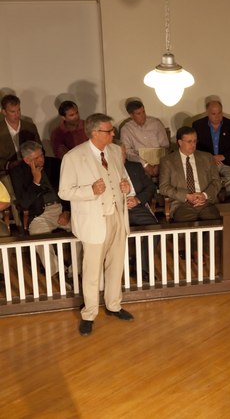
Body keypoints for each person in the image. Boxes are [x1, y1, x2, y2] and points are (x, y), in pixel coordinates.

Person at [58, 113, 134, 336]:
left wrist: (126, 187)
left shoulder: (113, 151)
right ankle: (89, 313)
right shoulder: (73, 157)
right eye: (109, 131)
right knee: (91, 271)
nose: (113, 134)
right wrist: (90, 191)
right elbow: (65, 191)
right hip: (94, 220)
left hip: (117, 216)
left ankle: (113, 305)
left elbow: (124, 178)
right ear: (94, 133)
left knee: (116, 264)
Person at [10, 141, 72, 277]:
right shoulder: (17, 172)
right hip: (39, 214)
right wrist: (36, 182)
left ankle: (76, 270)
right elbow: (24, 203)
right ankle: (58, 273)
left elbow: (68, 189)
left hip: (61, 208)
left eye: (42, 155)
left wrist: (67, 211)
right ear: (27, 160)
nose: (41, 159)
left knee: (82, 230)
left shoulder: (54, 164)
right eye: (36, 158)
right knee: (39, 238)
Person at [159, 127, 222, 222]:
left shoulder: (207, 157)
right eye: (189, 142)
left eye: (195, 141)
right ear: (180, 142)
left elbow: (216, 181)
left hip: (205, 202)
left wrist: (204, 195)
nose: (193, 145)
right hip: (181, 204)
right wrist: (187, 196)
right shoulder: (168, 161)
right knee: (187, 227)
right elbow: (163, 187)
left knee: (214, 225)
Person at [0, 94, 42, 232]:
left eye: (18, 110)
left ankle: (34, 219)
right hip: (6, 172)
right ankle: (21, 226)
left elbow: (40, 149)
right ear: (3, 112)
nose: (17, 114)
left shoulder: (29, 126)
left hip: (29, 168)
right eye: (12, 111)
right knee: (13, 193)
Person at [192, 99, 230, 198]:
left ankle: (229, 200)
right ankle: (210, 200)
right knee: (203, 179)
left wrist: (223, 156)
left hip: (228, 162)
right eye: (213, 114)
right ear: (207, 113)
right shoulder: (198, 125)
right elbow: (194, 147)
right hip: (207, 163)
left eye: (219, 113)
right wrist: (209, 158)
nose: (217, 116)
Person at [121, 144, 158, 281]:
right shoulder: (104, 168)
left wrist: (137, 199)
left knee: (154, 229)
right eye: (119, 154)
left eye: (124, 153)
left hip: (137, 207)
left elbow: (150, 187)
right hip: (116, 210)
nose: (123, 156)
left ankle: (142, 268)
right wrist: (121, 202)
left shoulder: (135, 166)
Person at [120, 100, 170, 178]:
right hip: (139, 164)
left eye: (143, 111)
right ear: (131, 115)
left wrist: (158, 164)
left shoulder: (156, 123)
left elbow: (165, 146)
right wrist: (145, 164)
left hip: (159, 161)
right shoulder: (126, 129)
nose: (143, 115)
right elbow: (127, 152)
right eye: (139, 113)